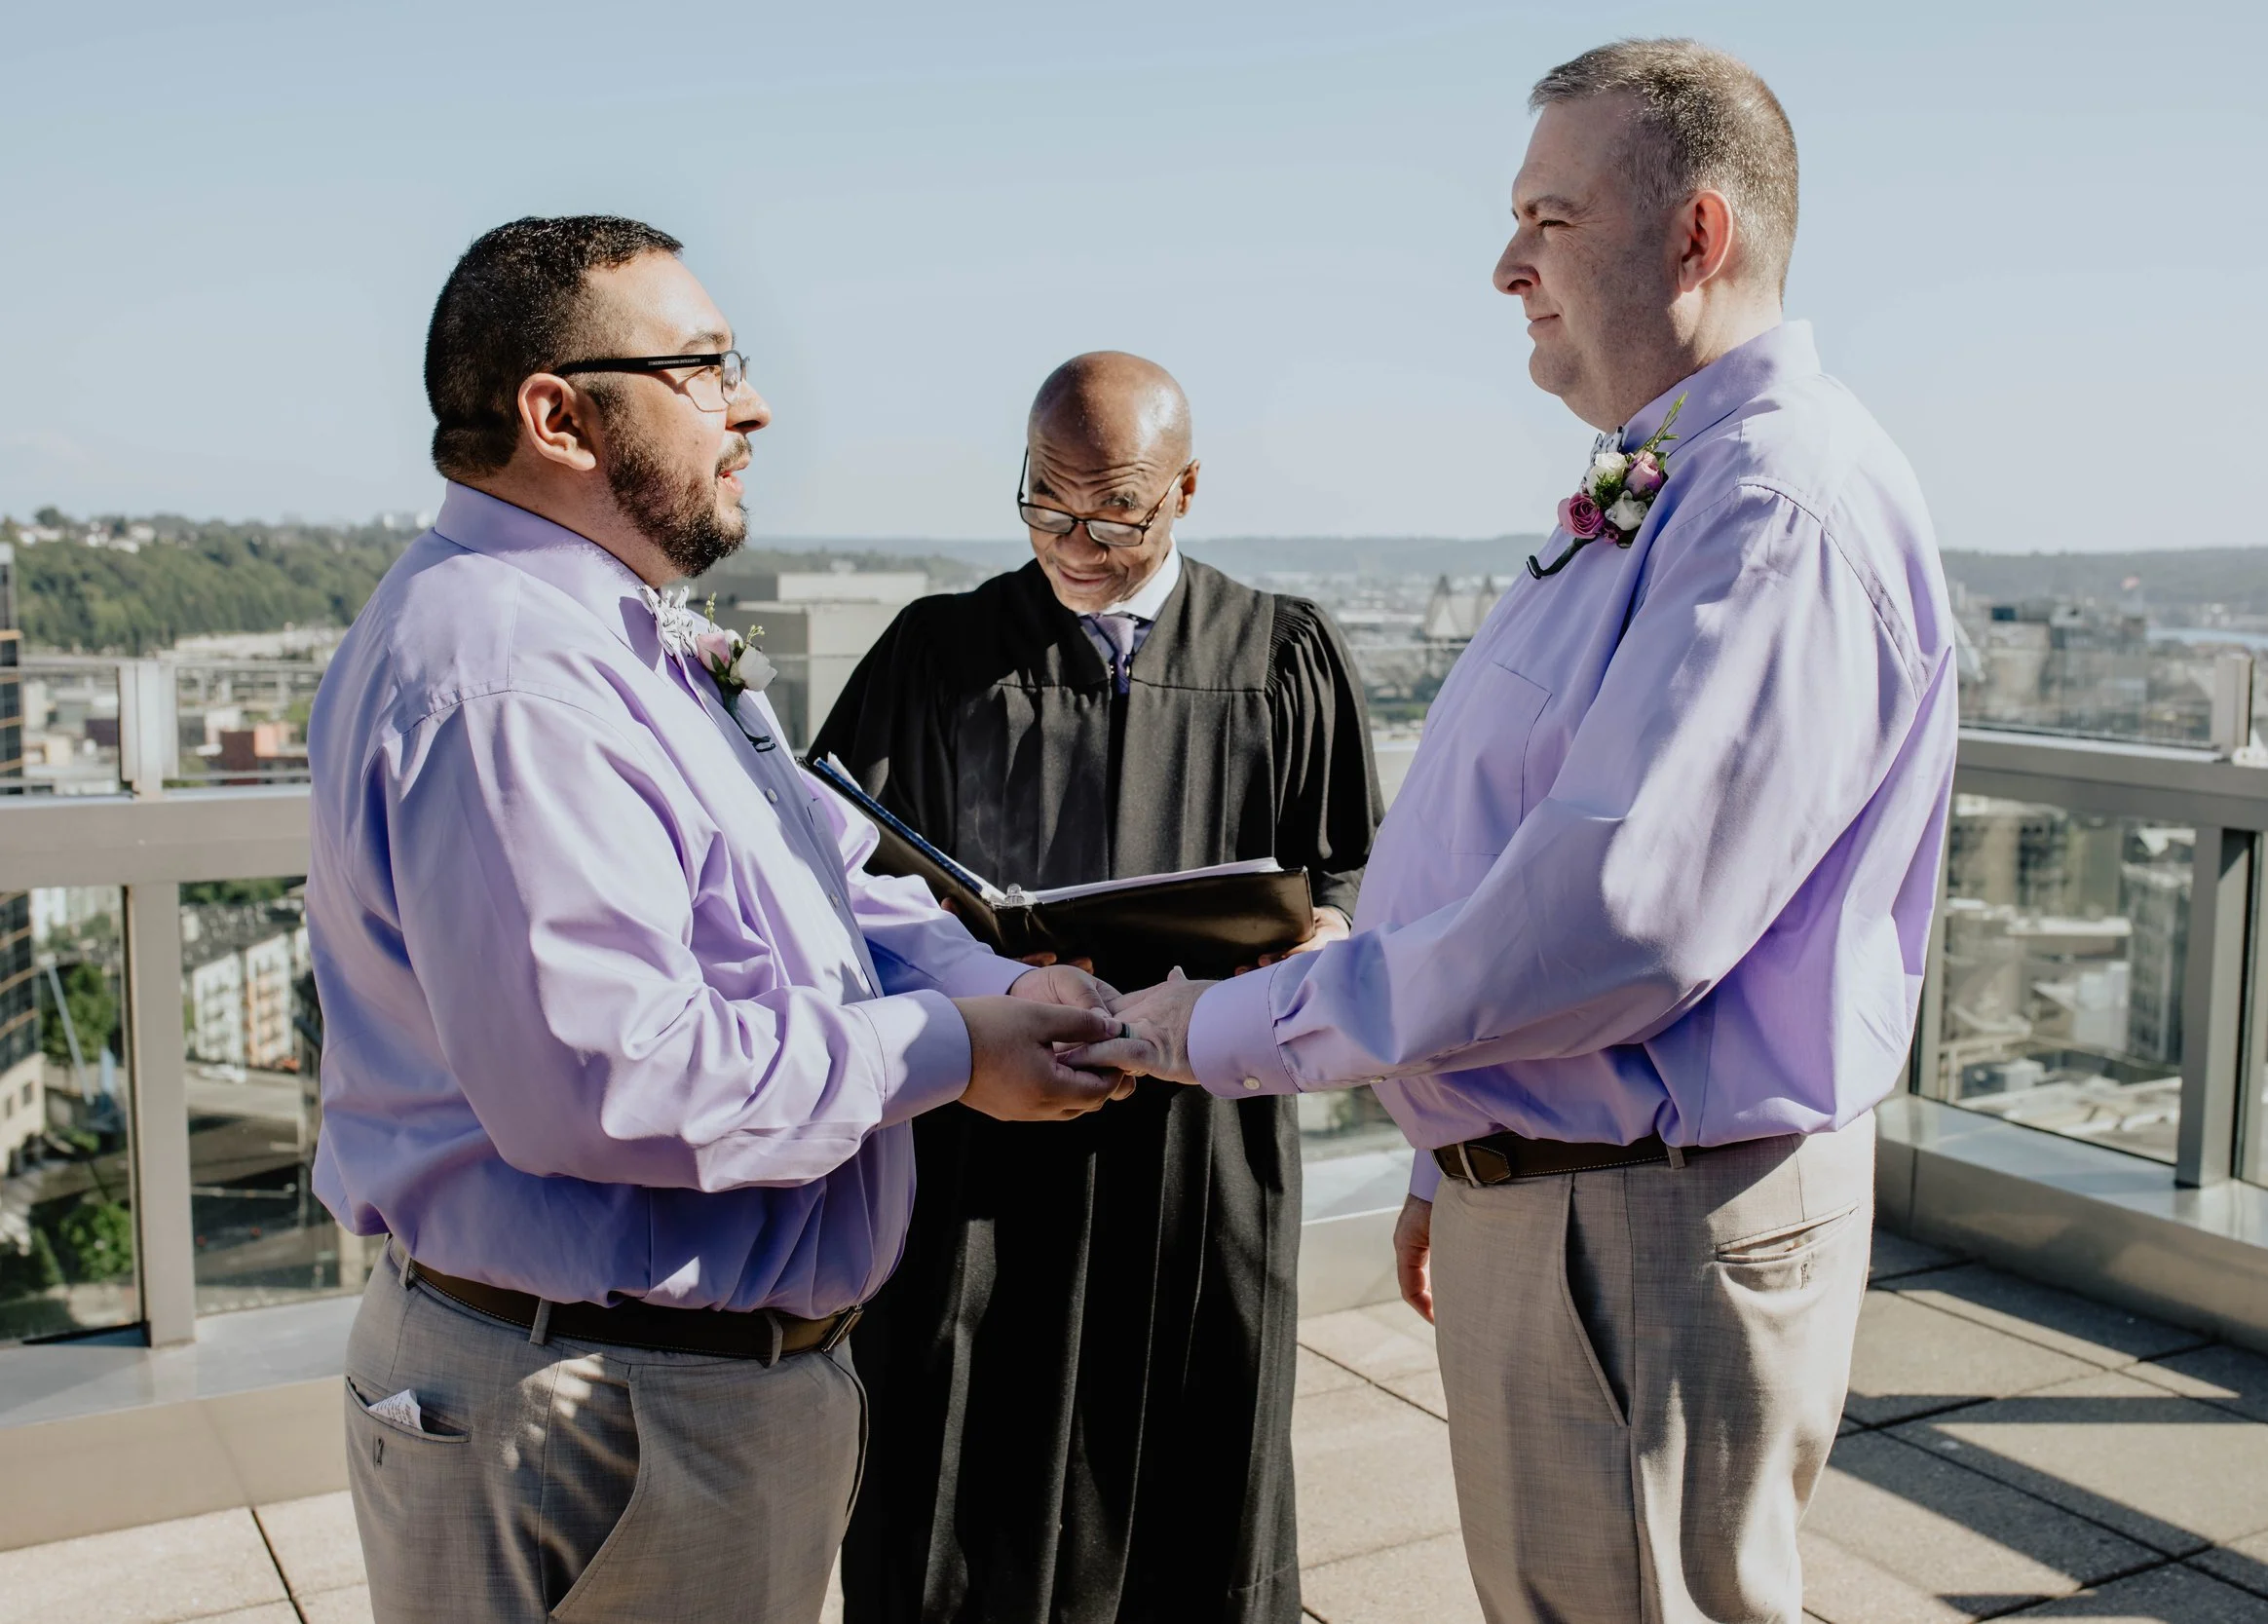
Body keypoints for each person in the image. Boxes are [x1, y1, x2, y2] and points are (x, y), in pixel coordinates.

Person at [1084, 40, 1956, 1624]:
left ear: (1695, 238)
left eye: (1547, 220)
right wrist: (1448, 1139)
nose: (1506, 267)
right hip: (1562, 1181)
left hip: (1636, 1210)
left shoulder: (1773, 511)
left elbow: (1610, 921)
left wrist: (1224, 1027)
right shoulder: (1677, 477)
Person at [307, 215, 1130, 1624]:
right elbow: (613, 1079)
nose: (750, 402)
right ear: (558, 414)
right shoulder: (511, 682)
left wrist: (1006, 991)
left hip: (663, 1397)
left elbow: (831, 881)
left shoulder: (610, 630)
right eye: (699, 367)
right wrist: (953, 1048)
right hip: (601, 1416)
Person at [813, 352, 1380, 1624]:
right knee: (966, 1462)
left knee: (1202, 1446)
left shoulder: (1280, 651)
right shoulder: (938, 652)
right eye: (1043, 504)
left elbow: (1350, 852)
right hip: (988, 1146)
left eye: (1112, 513)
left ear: (1185, 490)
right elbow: (828, 860)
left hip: (1206, 1139)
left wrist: (1329, 924)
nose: (1073, 541)